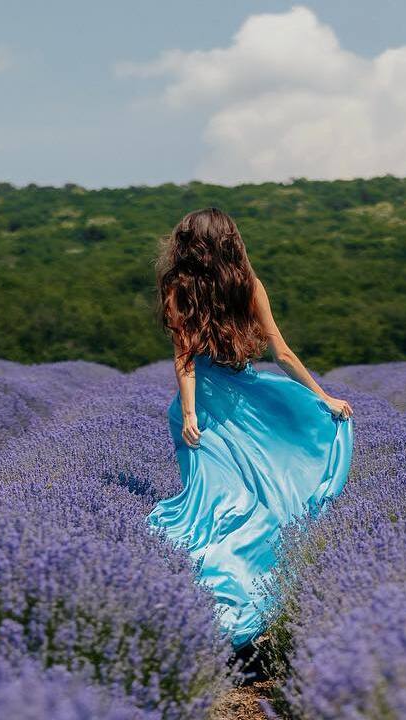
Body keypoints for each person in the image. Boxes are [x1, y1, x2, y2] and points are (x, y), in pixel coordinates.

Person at [146, 206, 354, 655]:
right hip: (244, 406)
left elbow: (184, 360)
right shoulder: (249, 286)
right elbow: (282, 353)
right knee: (260, 503)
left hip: (204, 413)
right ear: (230, 242)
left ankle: (201, 606)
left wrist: (187, 414)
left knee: (211, 509)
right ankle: (242, 605)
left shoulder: (177, 287)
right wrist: (324, 398)